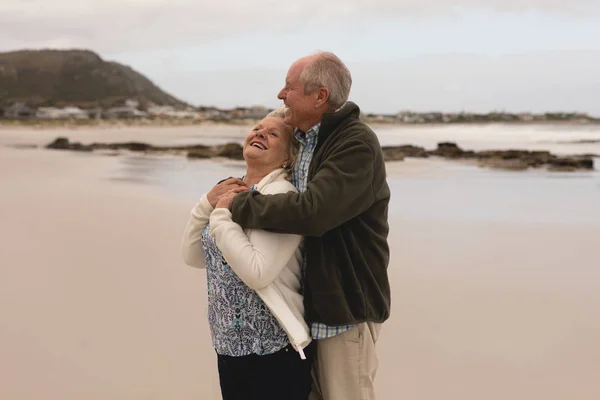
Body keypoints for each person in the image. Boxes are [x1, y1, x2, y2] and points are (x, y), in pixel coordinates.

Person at [213, 52, 391, 400]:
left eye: (289, 87)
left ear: (320, 96)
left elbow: (314, 213)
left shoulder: (355, 143)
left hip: (345, 307)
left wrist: (236, 204)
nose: (281, 94)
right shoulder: (308, 139)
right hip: (308, 308)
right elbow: (273, 172)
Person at [180, 108, 315, 400]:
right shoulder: (231, 191)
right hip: (229, 348)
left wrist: (220, 217)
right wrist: (206, 203)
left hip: (273, 351)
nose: (260, 133)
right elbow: (192, 256)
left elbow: (257, 272)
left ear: (289, 156)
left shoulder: (282, 198)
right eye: (257, 128)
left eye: (273, 133)